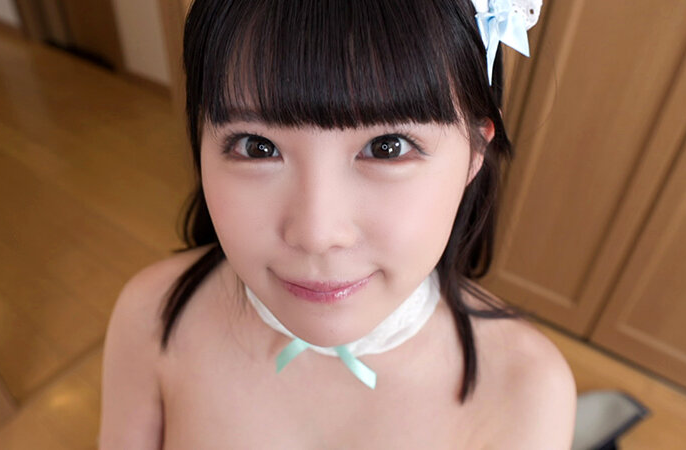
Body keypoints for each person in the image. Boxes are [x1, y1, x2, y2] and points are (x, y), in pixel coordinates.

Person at [99, 0, 577, 448]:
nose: (316, 234)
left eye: (387, 147)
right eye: (257, 147)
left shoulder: (529, 389)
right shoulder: (152, 317)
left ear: (475, 151)